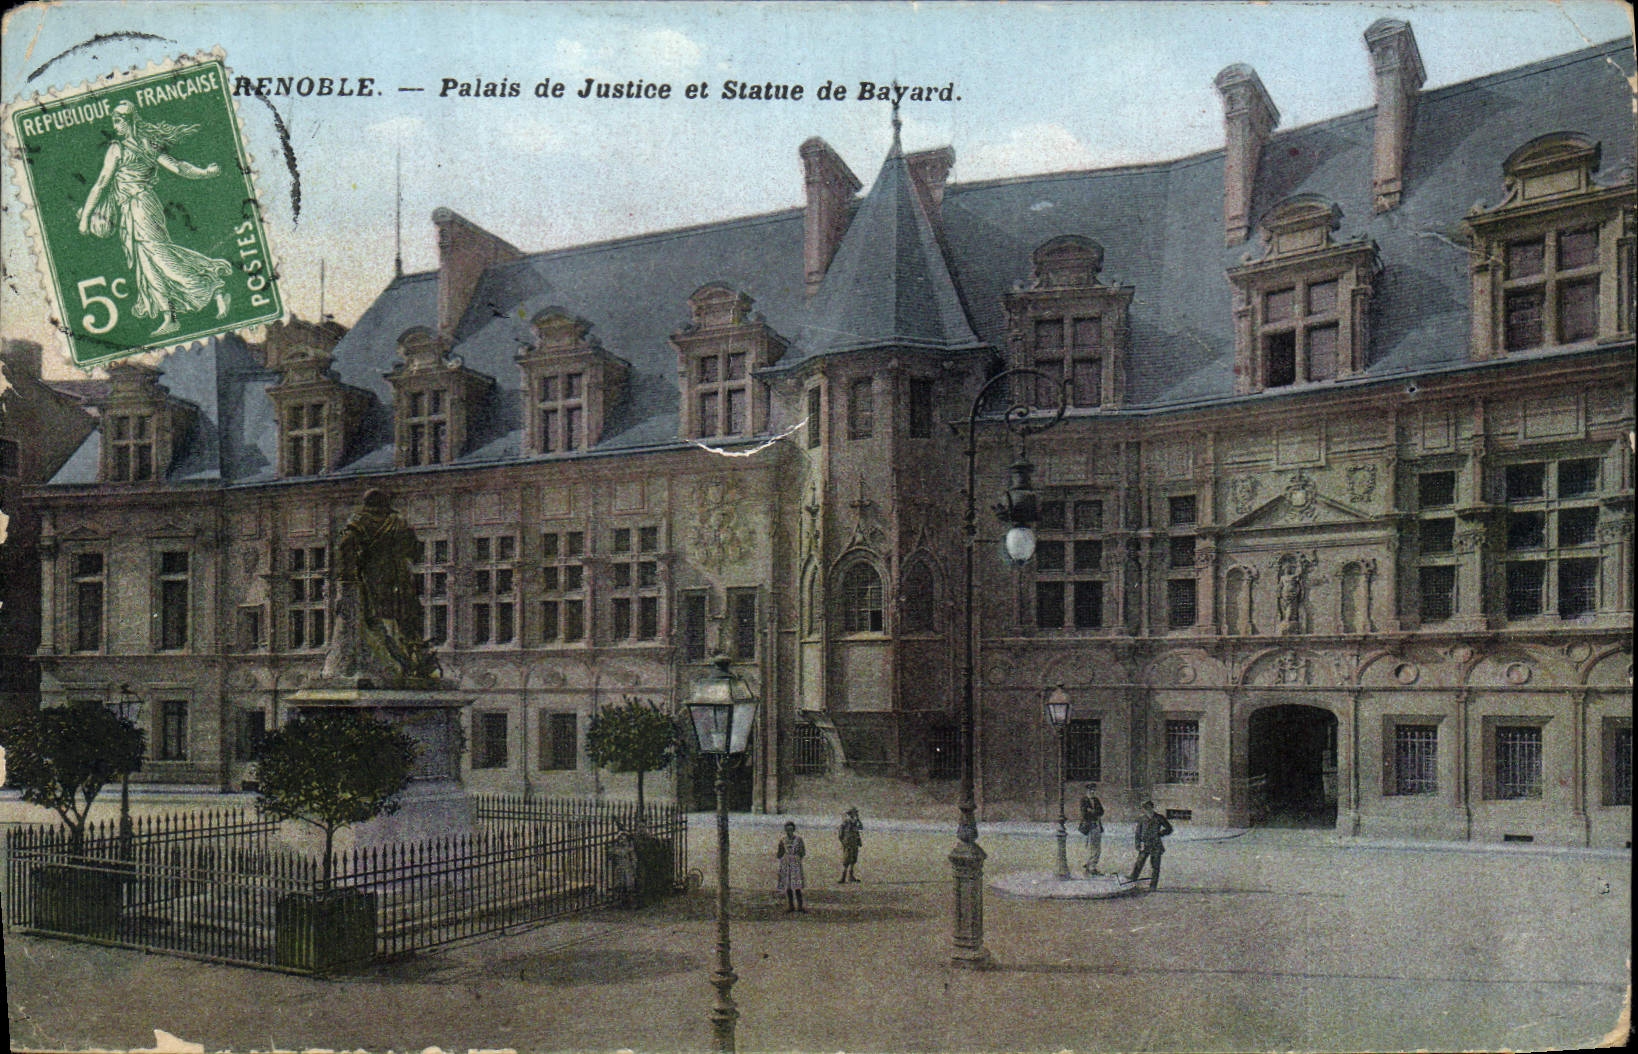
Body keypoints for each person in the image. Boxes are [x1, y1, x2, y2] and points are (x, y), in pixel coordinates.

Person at [77, 100, 232, 337]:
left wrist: (85, 217)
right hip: (131, 210)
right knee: (148, 265)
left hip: (141, 207)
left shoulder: (120, 148)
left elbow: (101, 184)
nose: (115, 126)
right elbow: (178, 167)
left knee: (161, 257)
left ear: (128, 121)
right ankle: (170, 317)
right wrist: (204, 173)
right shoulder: (145, 144)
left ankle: (213, 287)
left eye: (118, 121)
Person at [1129, 800, 1174, 890]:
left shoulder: (1159, 818)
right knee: (1139, 863)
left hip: (1156, 845)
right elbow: (1137, 833)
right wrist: (1138, 845)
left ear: (1152, 808)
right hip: (1145, 845)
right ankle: (1132, 881)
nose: (1146, 810)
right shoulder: (1142, 819)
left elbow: (1169, 829)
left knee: (1155, 866)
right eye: (1145, 808)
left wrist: (1161, 833)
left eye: (1148, 807)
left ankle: (1153, 886)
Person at [775, 821, 806, 913]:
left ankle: (800, 906)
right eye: (787, 830)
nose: (789, 832)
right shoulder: (783, 840)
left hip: (795, 863)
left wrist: (796, 857)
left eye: (791, 830)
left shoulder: (798, 840)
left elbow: (802, 852)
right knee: (788, 885)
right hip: (786, 863)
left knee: (797, 884)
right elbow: (779, 853)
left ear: (793, 830)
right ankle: (791, 905)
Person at [1078, 786, 1105, 875]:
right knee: (1092, 847)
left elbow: (1101, 811)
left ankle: (1091, 865)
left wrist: (1092, 811)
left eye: (1093, 790)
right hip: (1088, 826)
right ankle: (1091, 867)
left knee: (1097, 847)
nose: (1092, 792)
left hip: (1097, 825)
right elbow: (1084, 814)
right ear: (1087, 791)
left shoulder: (1096, 800)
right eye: (1090, 790)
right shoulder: (1084, 800)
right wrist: (1094, 812)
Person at [837, 807, 863, 883]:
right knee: (846, 860)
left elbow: (861, 827)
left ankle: (850, 876)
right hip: (848, 844)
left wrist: (858, 819)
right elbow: (840, 834)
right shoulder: (846, 822)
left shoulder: (854, 822)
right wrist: (844, 843)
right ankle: (843, 877)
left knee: (853, 860)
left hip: (854, 843)